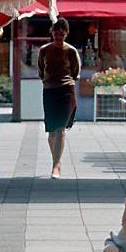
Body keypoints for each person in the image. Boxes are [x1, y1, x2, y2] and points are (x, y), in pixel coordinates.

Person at [37, 17, 80, 179]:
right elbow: (41, 71)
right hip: (49, 90)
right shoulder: (44, 50)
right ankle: (57, 160)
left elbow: (75, 73)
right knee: (51, 132)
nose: (58, 35)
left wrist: (67, 82)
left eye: (62, 33)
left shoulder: (71, 51)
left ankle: (55, 165)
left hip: (66, 91)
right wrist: (48, 81)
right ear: (52, 33)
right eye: (56, 32)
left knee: (61, 128)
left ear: (66, 34)